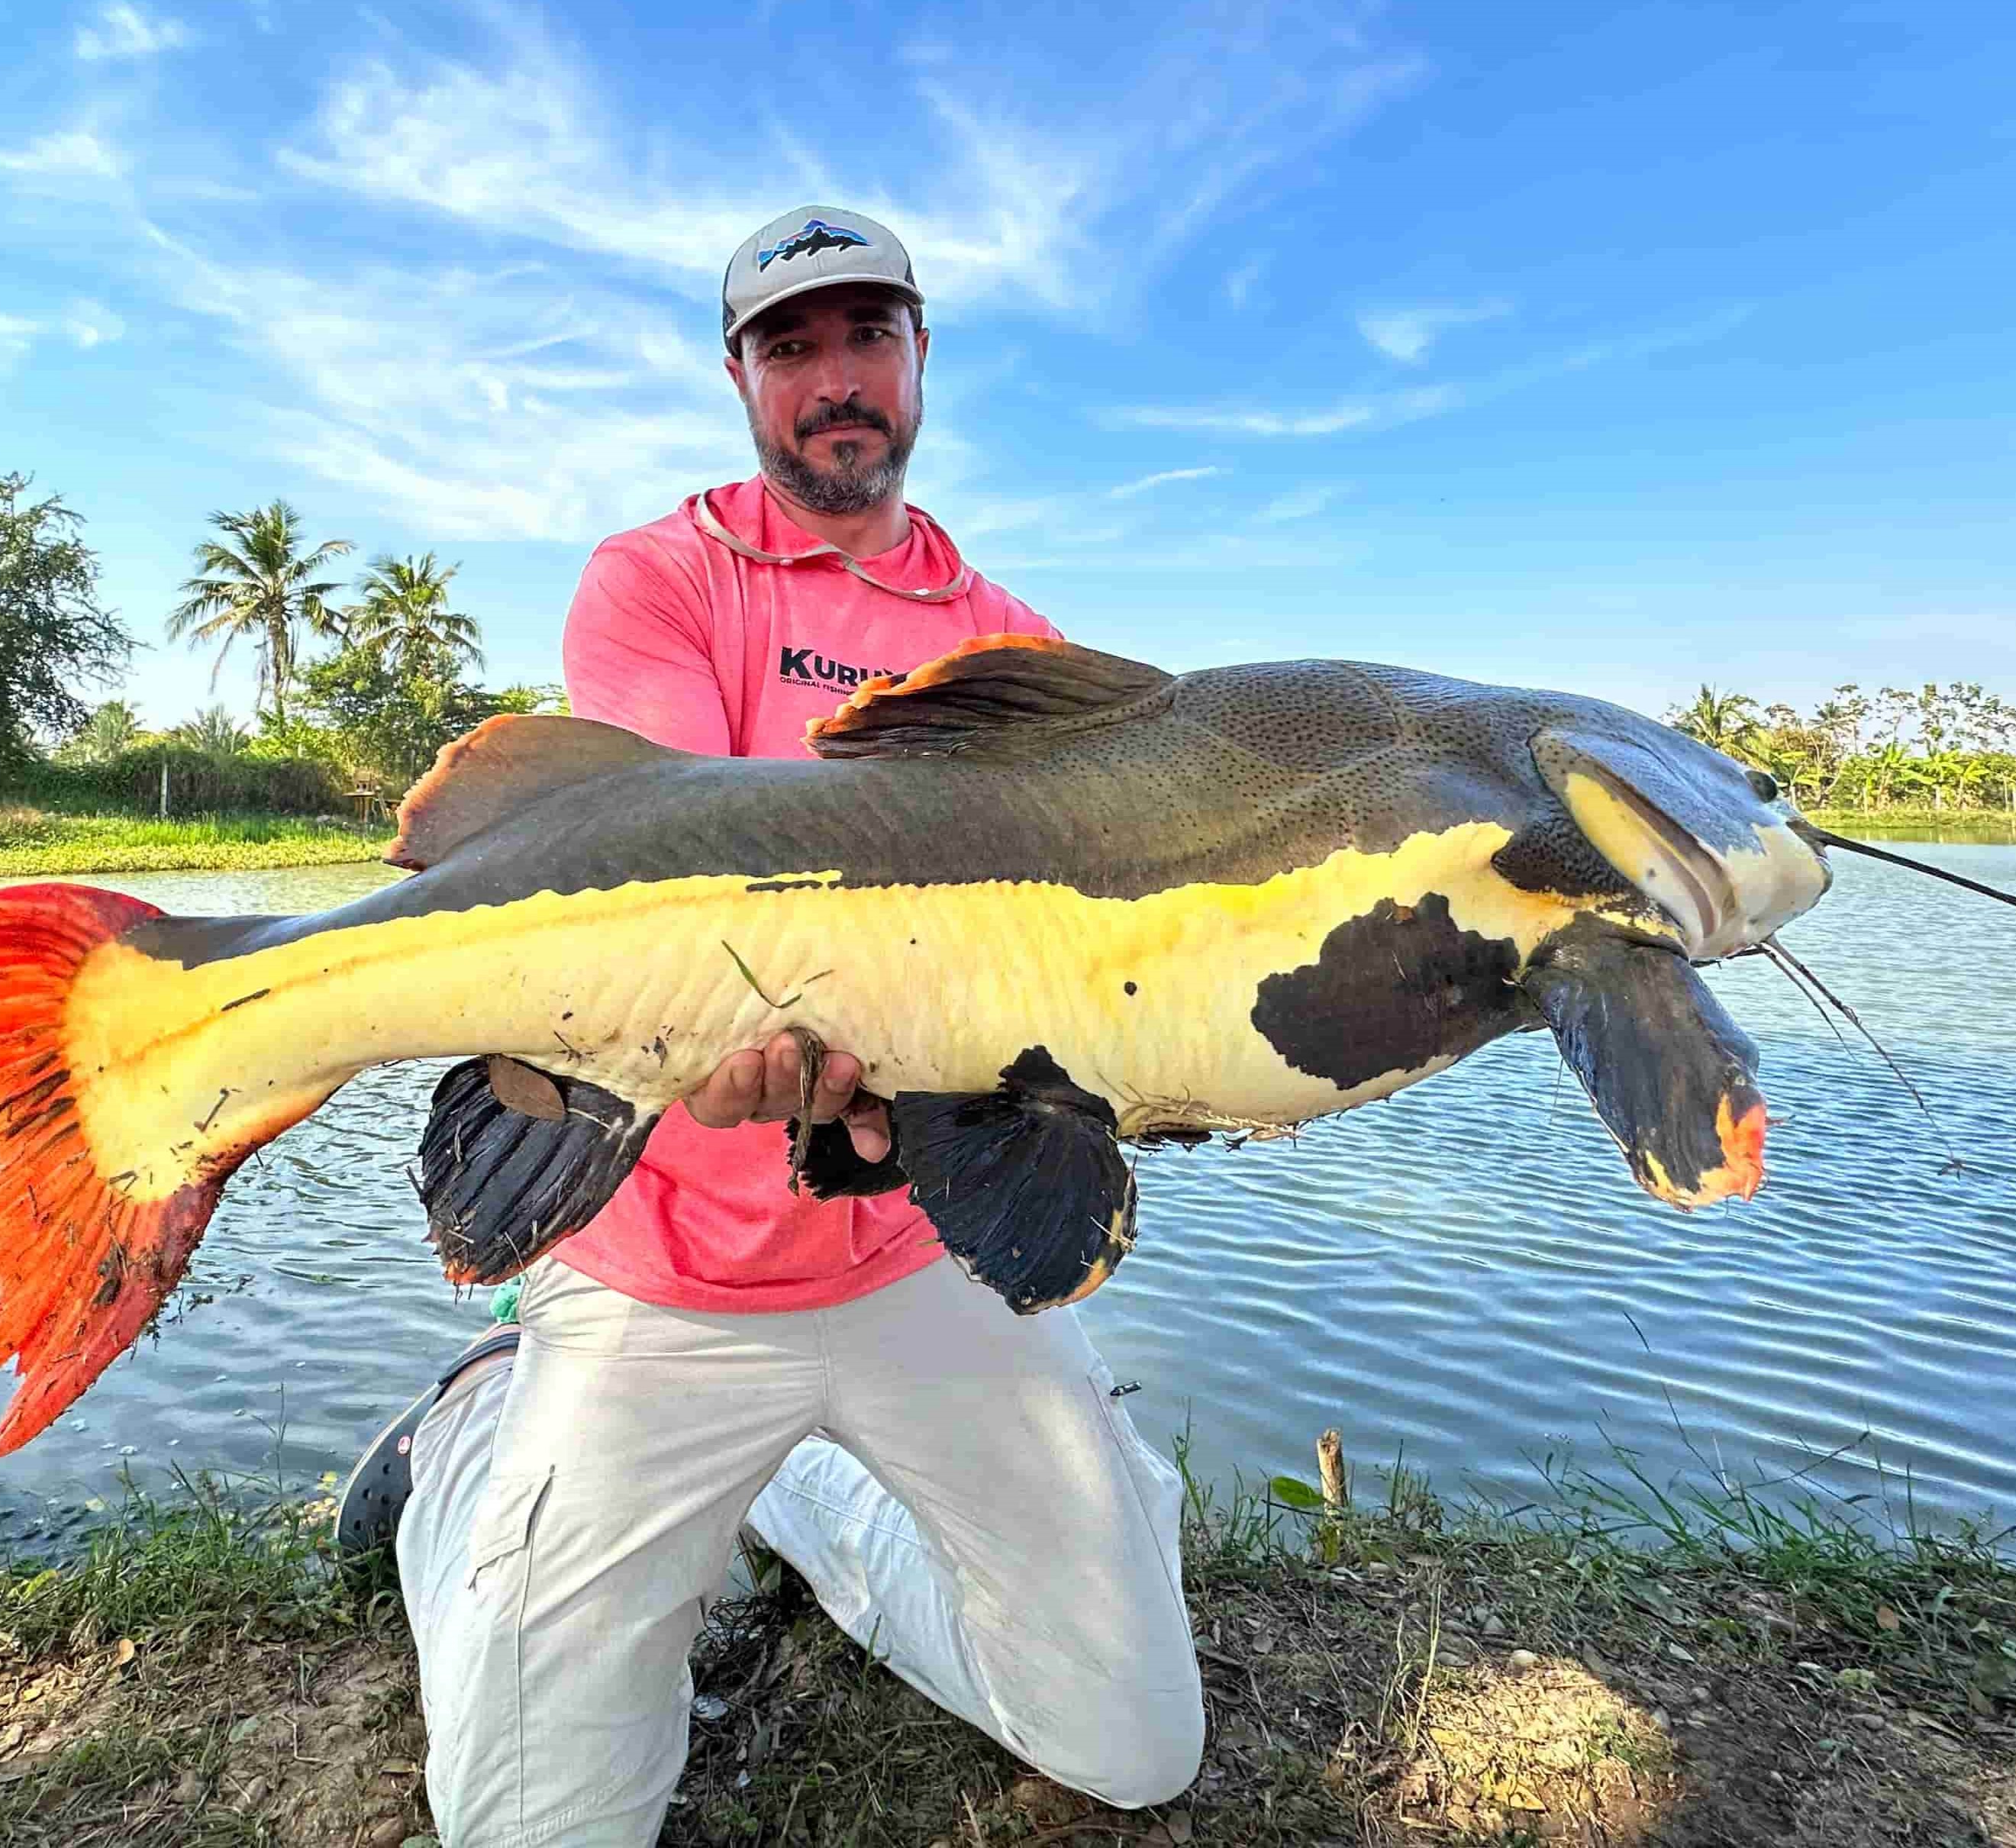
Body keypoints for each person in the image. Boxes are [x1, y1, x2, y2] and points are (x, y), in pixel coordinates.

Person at [346, 206, 1203, 1846]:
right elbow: (667, 850)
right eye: (792, 347)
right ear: (740, 378)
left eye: (866, 335)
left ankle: (810, 1494)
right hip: (657, 1270)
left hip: (916, 1260)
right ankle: (470, 1434)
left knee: (1136, 1744)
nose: (836, 380)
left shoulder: (1012, 639)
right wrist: (759, 1028)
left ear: (920, 356)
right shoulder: (664, 575)